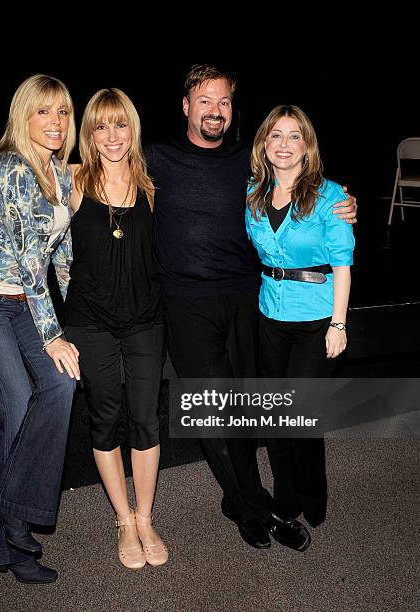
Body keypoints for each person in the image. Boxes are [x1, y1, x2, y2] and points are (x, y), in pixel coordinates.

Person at [145, 65, 357, 552]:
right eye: (205, 101)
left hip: (247, 301)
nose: (215, 111)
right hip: (185, 304)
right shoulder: (155, 156)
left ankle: (240, 495)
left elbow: (303, 183)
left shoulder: (250, 162)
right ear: (186, 106)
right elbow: (93, 169)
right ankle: (251, 506)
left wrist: (347, 204)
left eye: (223, 102)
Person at [0, 74, 80, 584]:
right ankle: (12, 531)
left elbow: (63, 254)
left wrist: (74, 320)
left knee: (61, 384)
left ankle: (8, 515)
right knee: (17, 403)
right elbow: (32, 265)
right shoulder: (12, 170)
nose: (54, 123)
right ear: (23, 116)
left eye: (62, 113)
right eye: (43, 112)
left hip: (29, 307)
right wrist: (53, 334)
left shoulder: (59, 172)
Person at [63, 88, 168, 569]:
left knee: (146, 419)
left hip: (146, 319)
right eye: (101, 126)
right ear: (88, 133)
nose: (111, 135)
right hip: (91, 323)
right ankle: (123, 520)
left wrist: (337, 201)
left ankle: (146, 517)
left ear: (133, 128)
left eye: (119, 124)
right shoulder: (69, 181)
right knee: (105, 418)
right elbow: (16, 212)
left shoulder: (153, 183)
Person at [246, 105, 354, 544]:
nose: (285, 144)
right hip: (270, 315)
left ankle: (314, 497)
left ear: (307, 147)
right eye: (276, 135)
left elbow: (343, 266)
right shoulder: (252, 193)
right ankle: (286, 500)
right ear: (264, 145)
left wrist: (339, 324)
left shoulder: (330, 197)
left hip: (316, 320)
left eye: (295, 136)